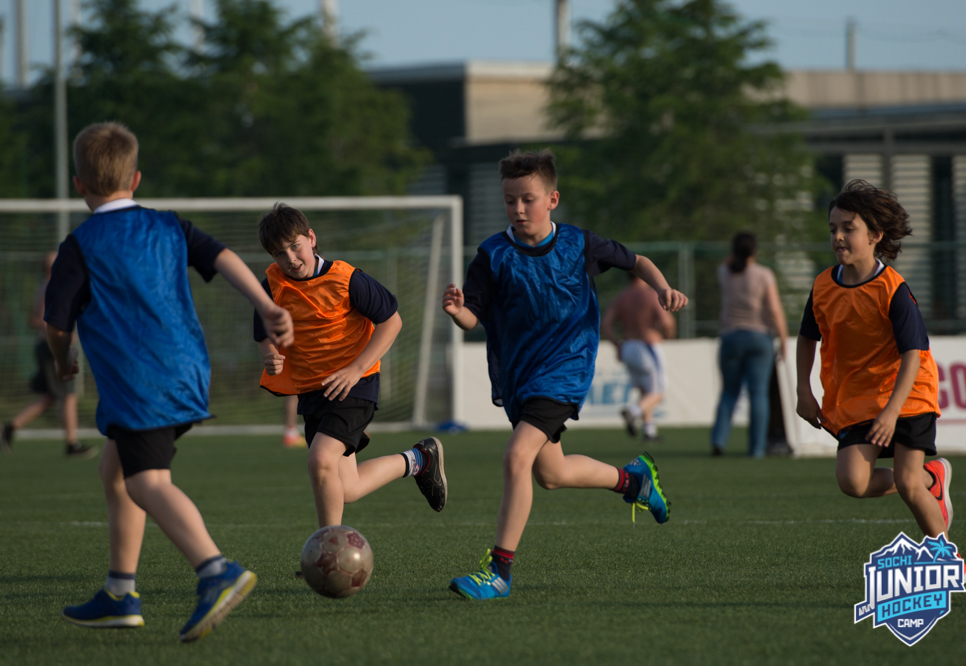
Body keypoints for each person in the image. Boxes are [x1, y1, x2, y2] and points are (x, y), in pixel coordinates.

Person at [48, 122, 294, 642]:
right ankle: (119, 593)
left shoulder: (79, 246)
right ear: (135, 179)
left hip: (140, 385)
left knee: (147, 482)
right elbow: (221, 256)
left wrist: (62, 357)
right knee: (115, 471)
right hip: (186, 370)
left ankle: (215, 570)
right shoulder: (168, 225)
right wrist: (266, 304)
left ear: (78, 185)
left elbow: (56, 324)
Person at [441, 149, 687, 600]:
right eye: (510, 201)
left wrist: (663, 288)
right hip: (520, 377)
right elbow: (473, 318)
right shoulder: (492, 255)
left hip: (565, 370)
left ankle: (498, 572)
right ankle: (634, 480)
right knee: (550, 474)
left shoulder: (579, 243)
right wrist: (458, 311)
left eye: (528, 199)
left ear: (552, 199)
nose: (518, 209)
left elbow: (637, 262)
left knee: (516, 457)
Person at [796, 179, 966, 583]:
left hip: (908, 394)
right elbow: (807, 337)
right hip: (857, 397)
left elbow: (914, 355)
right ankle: (933, 477)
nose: (838, 237)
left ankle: (948, 561)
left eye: (848, 228)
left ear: (875, 235)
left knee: (907, 484)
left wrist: (892, 412)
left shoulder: (893, 289)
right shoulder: (823, 286)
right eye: (833, 228)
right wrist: (803, 390)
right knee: (852, 482)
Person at [253, 204, 448, 532]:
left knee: (320, 460)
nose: (291, 259)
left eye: (295, 246)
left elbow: (392, 322)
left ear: (311, 238)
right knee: (346, 489)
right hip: (313, 392)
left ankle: (327, 547)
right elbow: (263, 334)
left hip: (355, 385)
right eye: (279, 254)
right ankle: (420, 460)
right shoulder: (271, 286)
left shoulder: (347, 278)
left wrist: (356, 369)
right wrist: (270, 355)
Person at [2, 252, 94, 458]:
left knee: (49, 398)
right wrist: (60, 337)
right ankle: (71, 443)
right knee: (69, 396)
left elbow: (34, 319)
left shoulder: (44, 286)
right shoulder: (52, 286)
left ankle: (9, 428)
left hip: (46, 347)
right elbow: (43, 320)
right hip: (53, 349)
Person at [710, 231, 788, 458]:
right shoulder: (764, 274)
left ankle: (719, 440)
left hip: (730, 336)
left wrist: (734, 256)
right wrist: (783, 340)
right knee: (758, 394)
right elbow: (774, 310)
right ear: (754, 251)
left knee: (728, 393)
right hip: (759, 337)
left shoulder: (725, 272)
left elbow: (726, 263)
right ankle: (756, 448)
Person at [602, 274, 677, 442]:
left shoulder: (622, 297)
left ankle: (649, 430)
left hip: (628, 346)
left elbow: (606, 324)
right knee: (658, 392)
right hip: (647, 346)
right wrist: (668, 334)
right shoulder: (651, 295)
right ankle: (633, 412)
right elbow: (667, 322)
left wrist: (617, 345)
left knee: (645, 391)